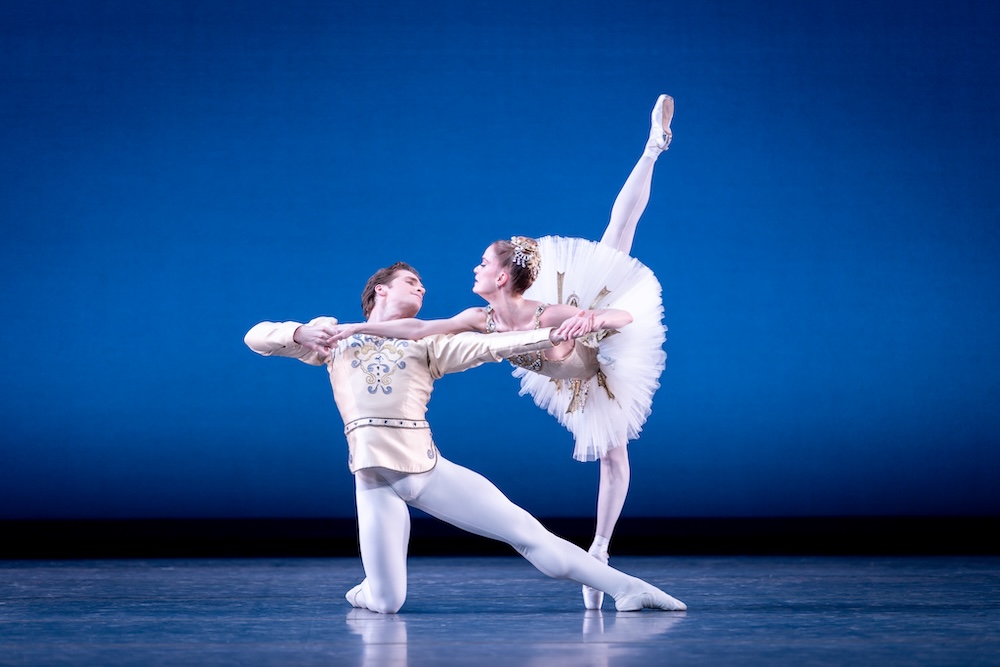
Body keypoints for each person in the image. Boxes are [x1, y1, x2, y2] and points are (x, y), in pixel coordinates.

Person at [327, 95, 674, 609]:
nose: (473, 268)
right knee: (606, 461)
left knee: (616, 241)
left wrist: (593, 318)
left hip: (596, 352)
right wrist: (350, 327)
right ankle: (600, 562)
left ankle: (651, 149)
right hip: (558, 369)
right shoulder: (478, 318)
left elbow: (626, 317)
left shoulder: (548, 312)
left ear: (504, 276)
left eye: (483, 263)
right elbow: (421, 328)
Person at [244, 261, 686, 614]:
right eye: (411, 282)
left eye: (422, 286)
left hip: (427, 472)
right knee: (387, 602)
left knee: (530, 536)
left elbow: (488, 346)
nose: (421, 288)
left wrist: (549, 335)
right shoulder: (334, 341)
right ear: (380, 290)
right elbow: (256, 337)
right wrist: (300, 332)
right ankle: (366, 590)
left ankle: (629, 589)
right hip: (373, 481)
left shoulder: (430, 344)